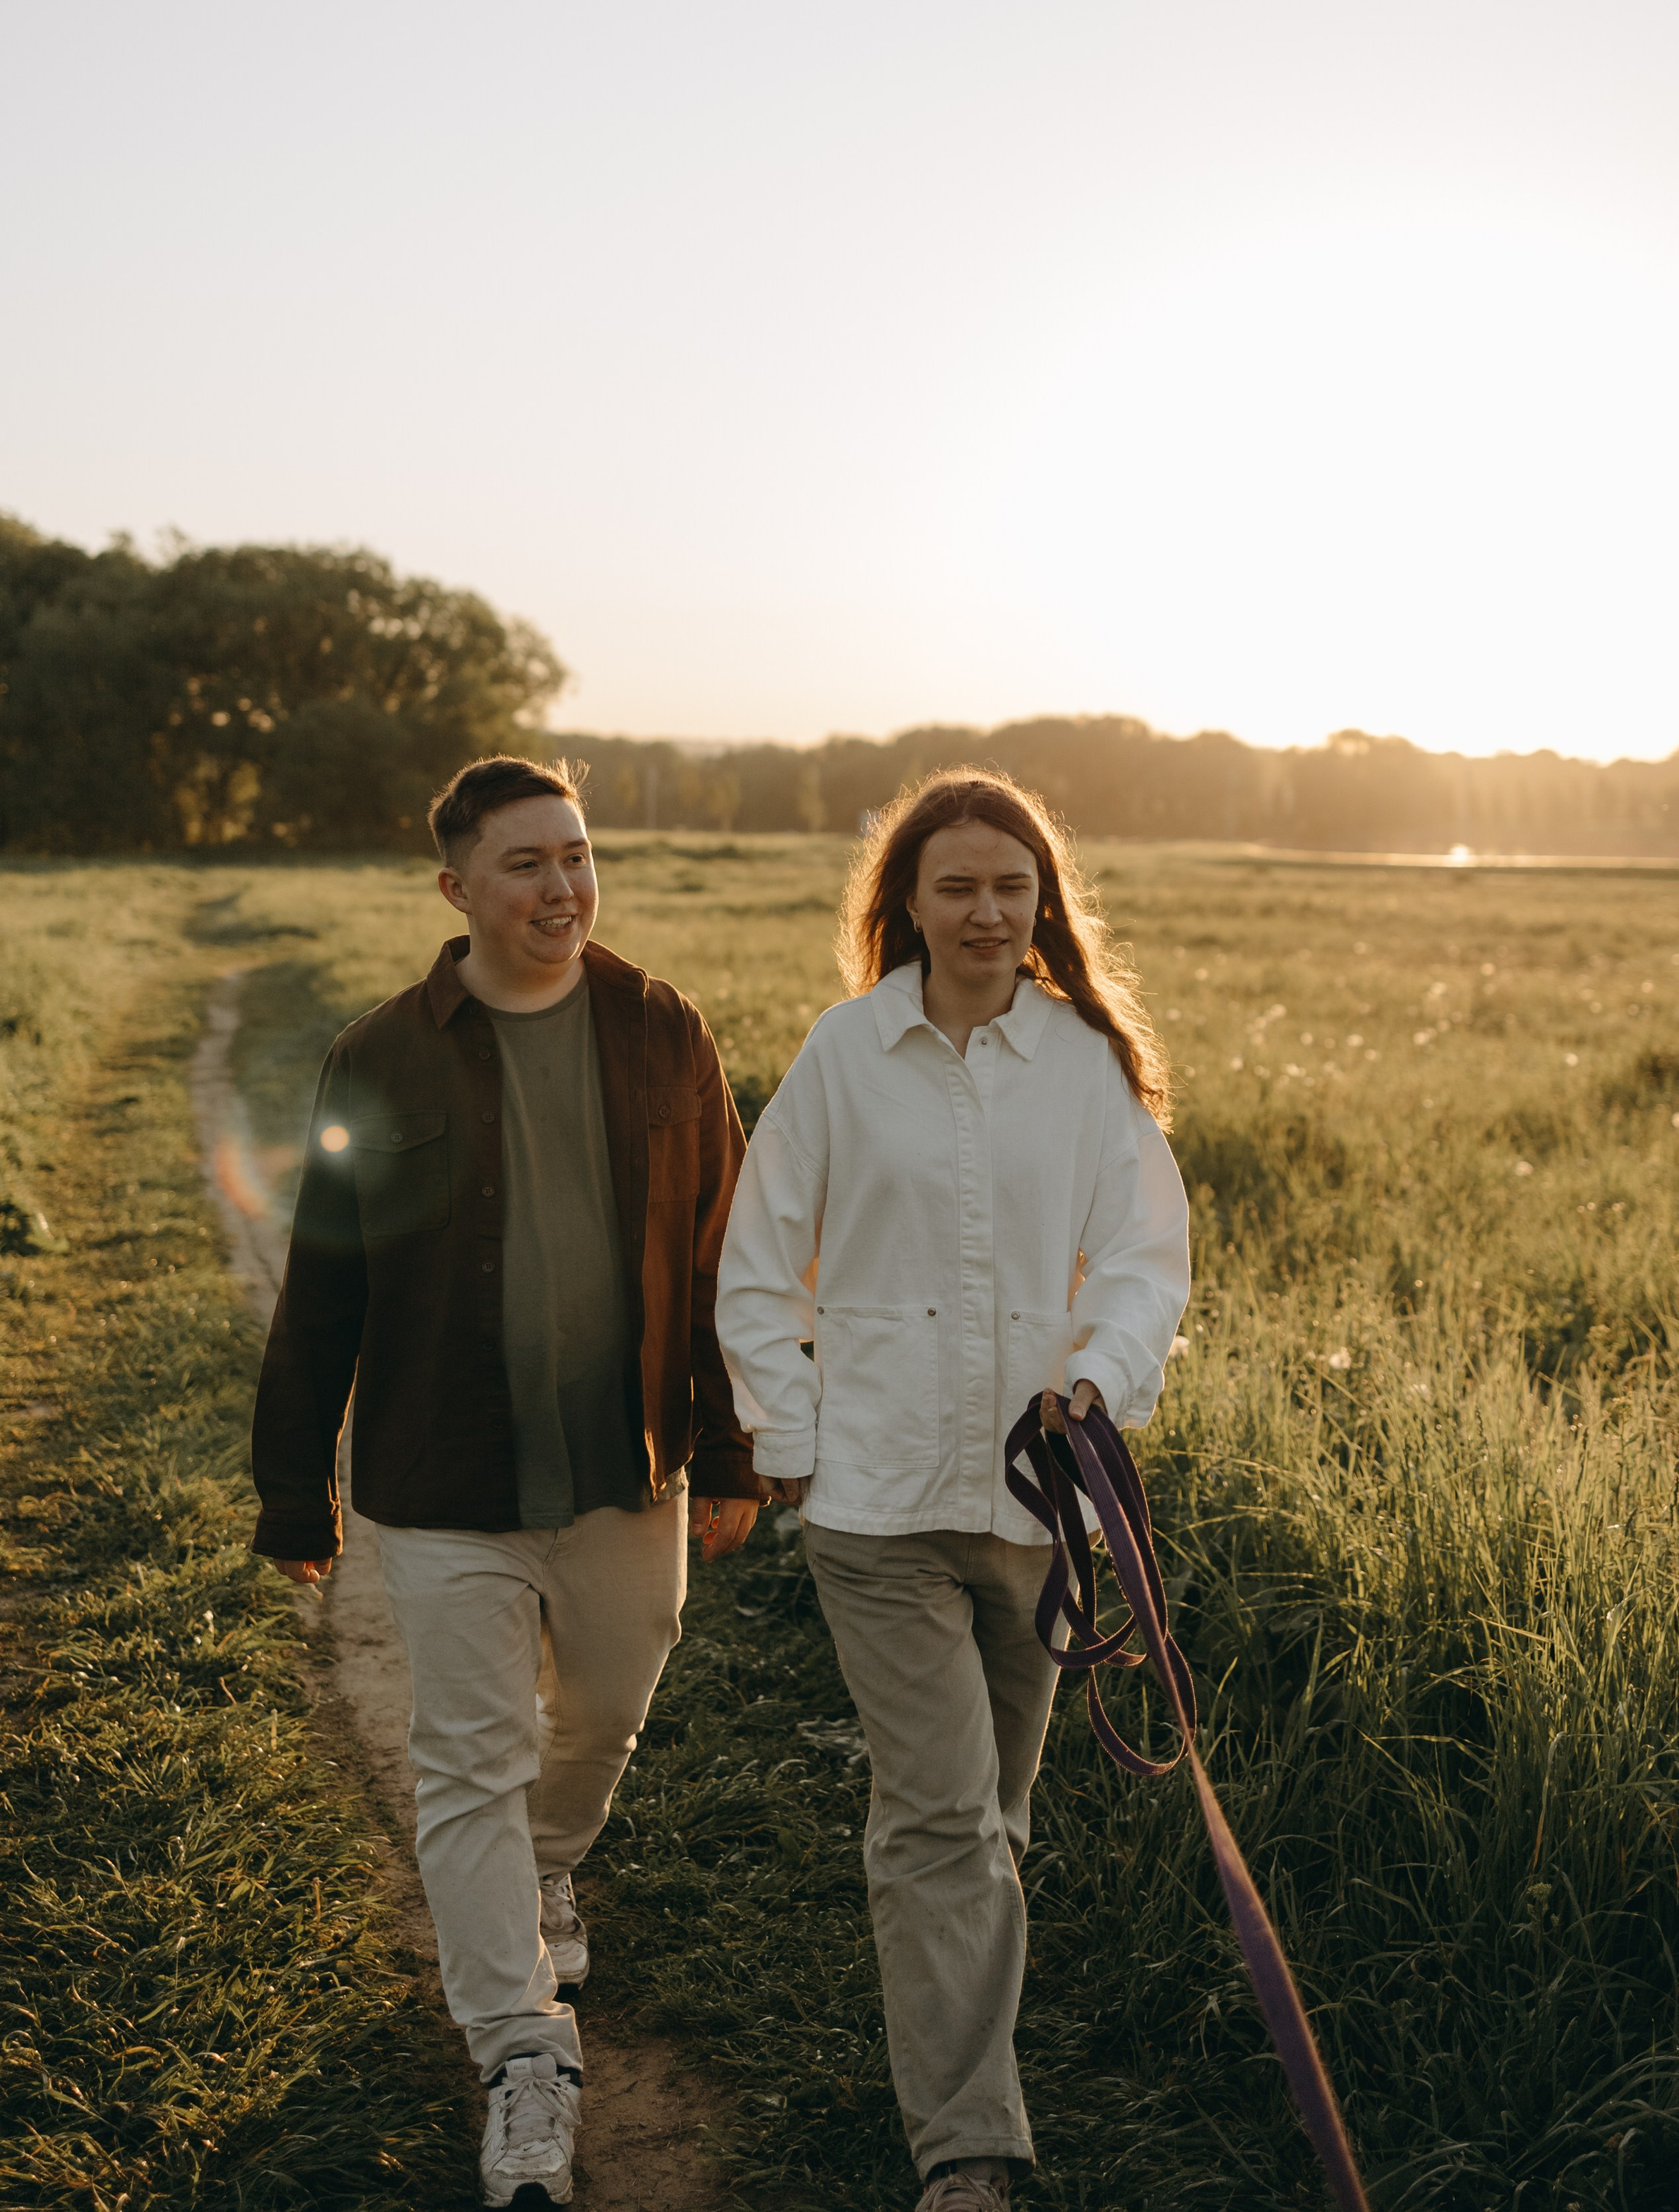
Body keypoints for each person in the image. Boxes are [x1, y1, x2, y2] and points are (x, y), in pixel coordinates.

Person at [248, 754, 759, 2211]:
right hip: (438, 1474)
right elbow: (324, 1283)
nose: (561, 888)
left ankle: (548, 1864)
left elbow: (721, 1253)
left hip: (623, 1466)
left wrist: (727, 1447)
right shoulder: (381, 1056)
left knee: (605, 1701)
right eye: (526, 864)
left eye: (578, 856)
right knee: (467, 1755)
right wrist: (296, 1487)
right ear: (456, 886)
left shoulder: (661, 1028)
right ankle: (522, 2054)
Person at [715, 769, 1191, 2212]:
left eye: (1011, 887)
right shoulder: (843, 1054)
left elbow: (1141, 1259)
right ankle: (970, 2148)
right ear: (903, 906)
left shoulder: (1084, 1065)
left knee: (992, 1821)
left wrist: (1100, 1377)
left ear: (1041, 903)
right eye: (956, 888)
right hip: (874, 1503)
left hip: (1036, 1508)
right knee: (938, 1821)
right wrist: (787, 1435)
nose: (987, 913)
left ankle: (951, 2056)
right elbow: (756, 1259)